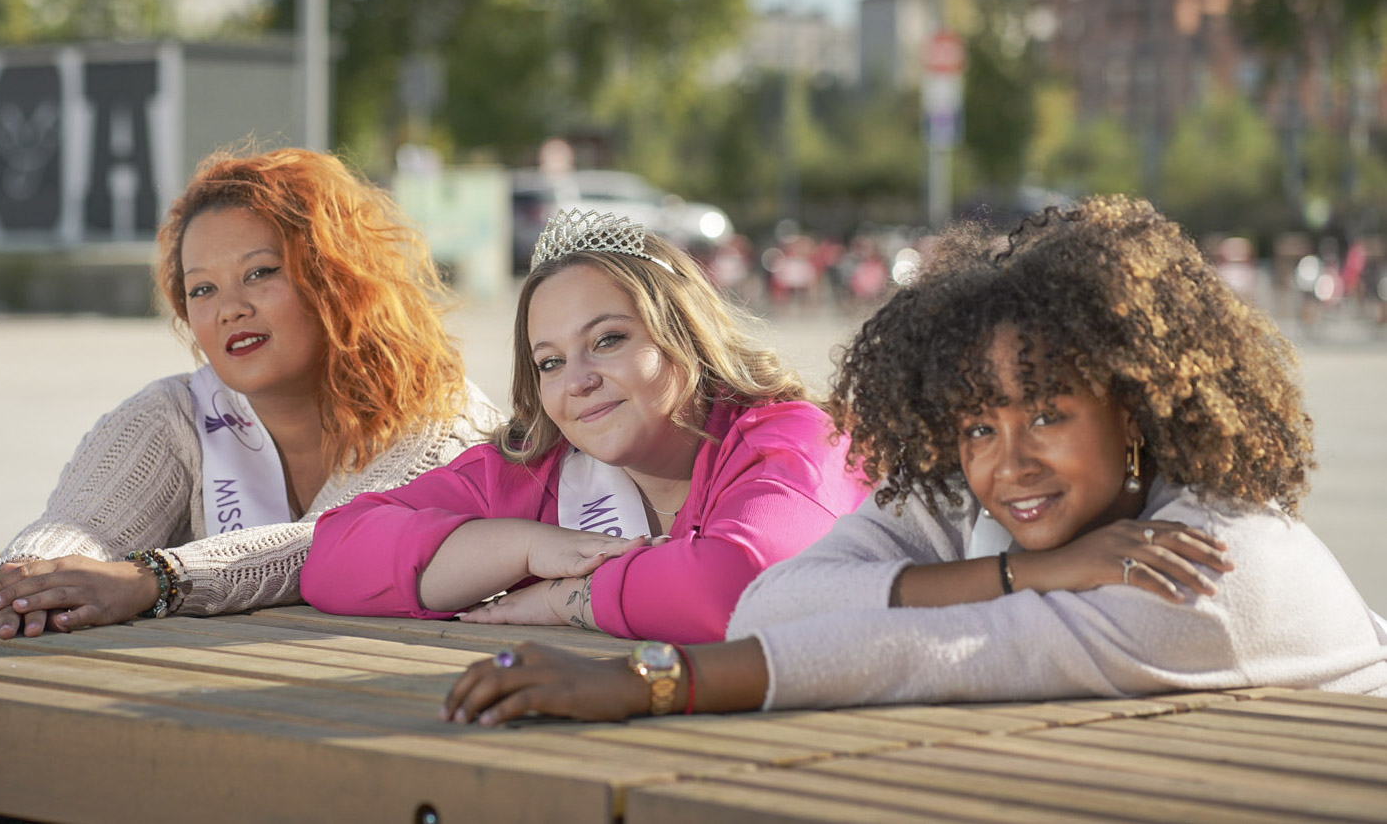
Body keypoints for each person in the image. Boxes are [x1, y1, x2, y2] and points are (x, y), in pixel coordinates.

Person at [440, 196, 1387, 723]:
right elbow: (772, 605)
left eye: (1048, 414)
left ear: (1132, 407)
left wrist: (648, 681)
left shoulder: (1209, 561)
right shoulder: (976, 501)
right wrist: (1021, 571)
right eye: (977, 426)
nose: (1010, 463)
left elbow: (934, 654)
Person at [0, 148, 502, 642]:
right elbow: (81, 525)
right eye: (203, 289)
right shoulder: (173, 414)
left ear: (336, 279)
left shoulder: (444, 425)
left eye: (259, 273)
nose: (229, 309)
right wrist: (23, 584)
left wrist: (158, 580)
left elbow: (333, 548)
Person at [303, 208, 871, 643]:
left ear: (687, 336)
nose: (577, 381)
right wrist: (528, 547)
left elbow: (743, 586)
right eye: (550, 363)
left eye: (608, 340)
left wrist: (567, 601)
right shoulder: (531, 472)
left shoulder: (796, 438)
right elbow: (333, 556)